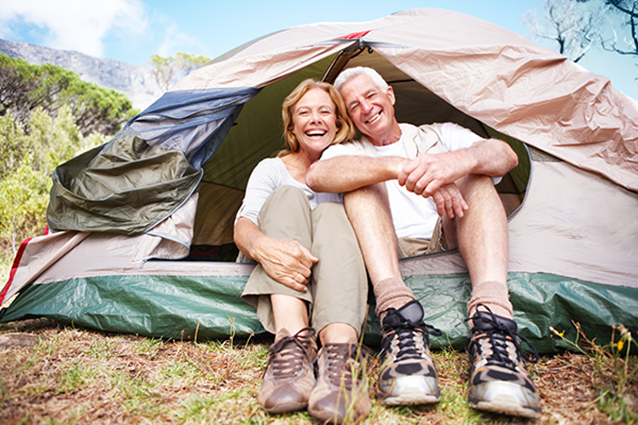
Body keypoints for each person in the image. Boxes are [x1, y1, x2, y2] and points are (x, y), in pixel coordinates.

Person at [306, 67, 542, 419]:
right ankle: (400, 326)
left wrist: (457, 162)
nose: (366, 108)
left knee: (476, 174)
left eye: (371, 96)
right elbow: (318, 175)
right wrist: (399, 167)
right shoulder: (346, 150)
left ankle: (493, 329)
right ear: (348, 116)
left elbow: (505, 156)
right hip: (383, 250)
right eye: (353, 105)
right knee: (358, 180)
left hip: (448, 238)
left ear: (390, 94)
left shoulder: (439, 134)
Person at [234, 79, 371, 424]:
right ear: (291, 126)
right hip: (284, 273)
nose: (315, 119)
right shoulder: (272, 169)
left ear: (339, 122)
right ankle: (292, 344)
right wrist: (263, 246)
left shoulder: (352, 166)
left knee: (332, 211)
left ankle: (340, 355)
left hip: (335, 277)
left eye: (325, 111)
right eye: (304, 112)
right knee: (287, 197)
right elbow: (243, 225)